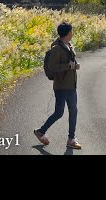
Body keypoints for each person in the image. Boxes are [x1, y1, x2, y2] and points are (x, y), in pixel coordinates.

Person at [34, 22, 82, 150]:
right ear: (67, 33)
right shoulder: (56, 48)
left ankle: (71, 139)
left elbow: (70, 61)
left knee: (73, 111)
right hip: (61, 86)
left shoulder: (68, 45)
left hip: (71, 85)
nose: (72, 33)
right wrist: (69, 66)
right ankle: (40, 131)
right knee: (59, 113)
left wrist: (75, 65)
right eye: (71, 31)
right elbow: (53, 67)